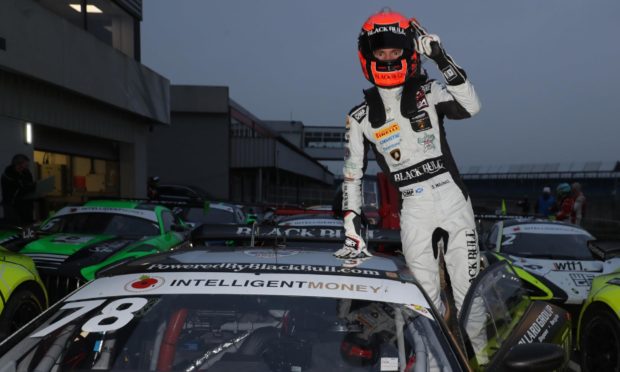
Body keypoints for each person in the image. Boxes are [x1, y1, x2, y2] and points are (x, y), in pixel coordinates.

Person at [336, 8, 481, 314]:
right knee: (422, 303)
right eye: (381, 51)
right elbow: (352, 176)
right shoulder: (360, 117)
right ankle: (431, 361)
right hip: (413, 208)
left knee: (470, 297)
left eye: (395, 50)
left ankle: (476, 360)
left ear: (408, 52)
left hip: (453, 199)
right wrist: (352, 231)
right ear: (368, 56)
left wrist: (442, 58)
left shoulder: (430, 92)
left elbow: (472, 106)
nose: (388, 58)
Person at [1, 154, 36, 225]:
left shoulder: (26, 173)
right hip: (13, 208)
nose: (27, 167)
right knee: (15, 228)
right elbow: (17, 190)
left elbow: (30, 185)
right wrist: (28, 187)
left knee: (28, 228)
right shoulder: (8, 175)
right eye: (25, 165)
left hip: (27, 207)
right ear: (18, 164)